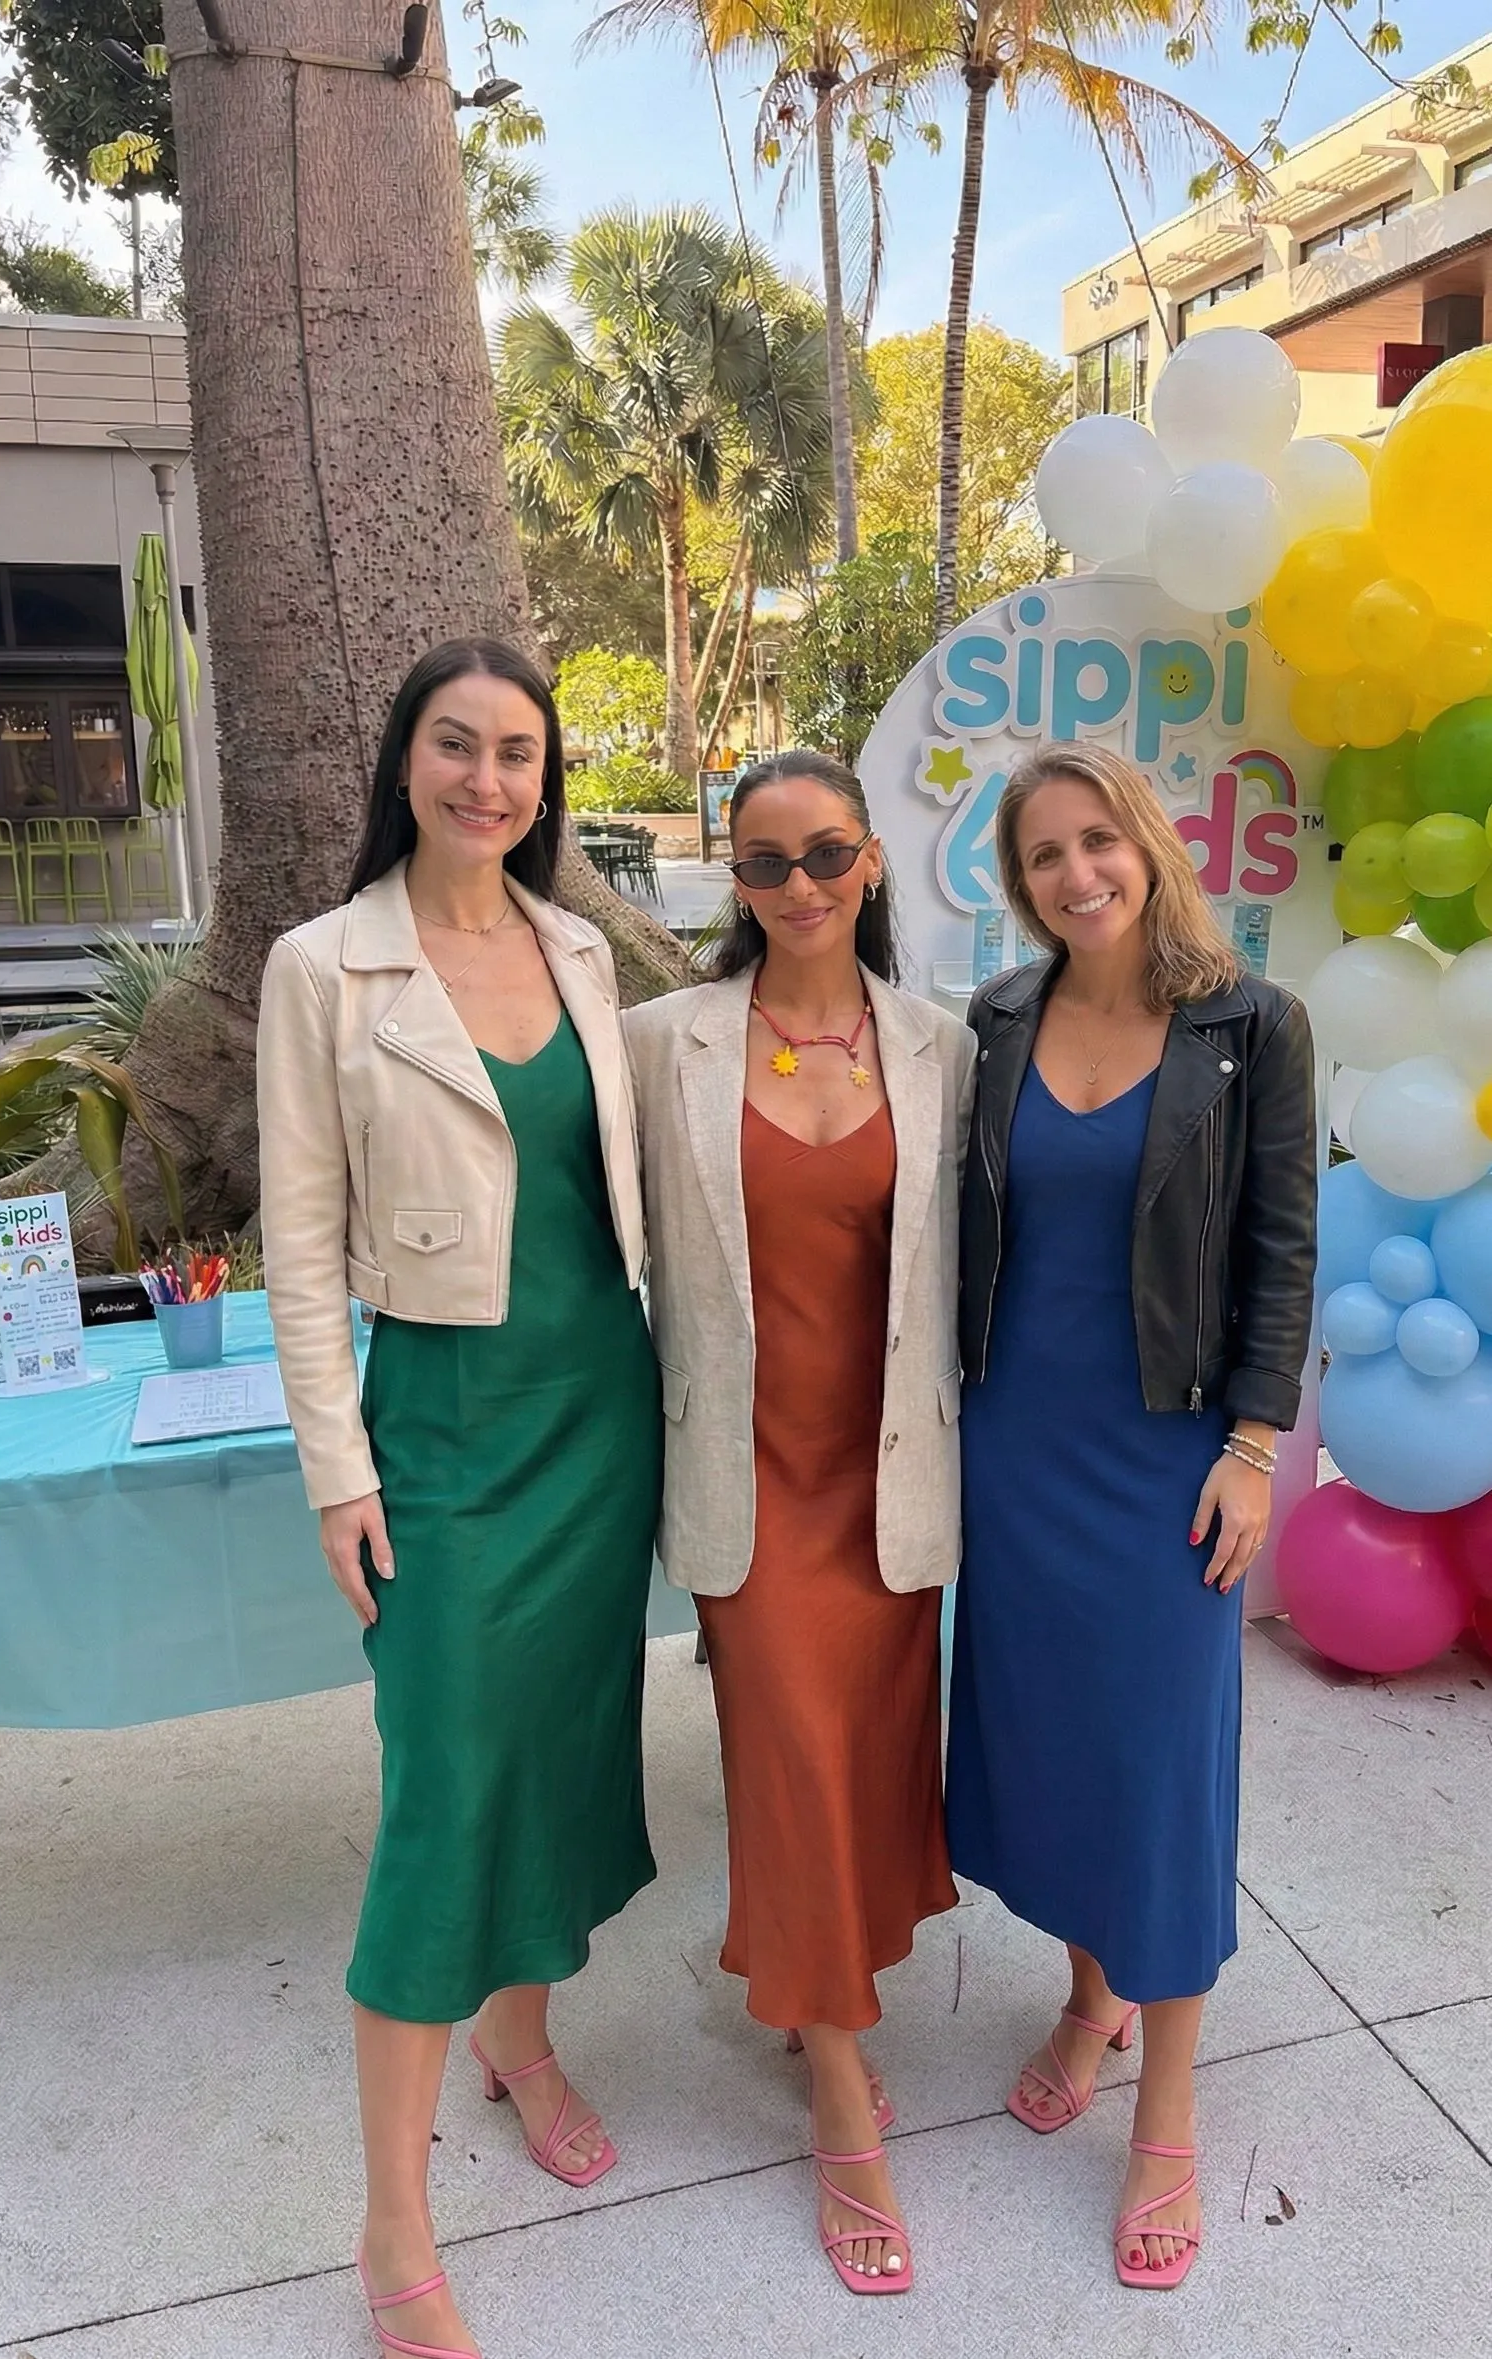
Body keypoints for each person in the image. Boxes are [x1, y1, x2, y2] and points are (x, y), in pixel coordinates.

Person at [256, 639, 660, 2359]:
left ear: (543, 778)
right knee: (442, 1794)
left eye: (516, 752)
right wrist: (335, 1469)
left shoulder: (579, 944)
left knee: (559, 1752)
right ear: (404, 761)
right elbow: (296, 1245)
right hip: (440, 1429)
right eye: (455, 744)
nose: (487, 779)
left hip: (600, 1414)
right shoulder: (322, 966)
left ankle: (522, 2036)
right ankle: (392, 2223)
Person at [947, 741, 1316, 2291]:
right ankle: (1088, 1995)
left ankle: (1164, 2106)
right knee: (1058, 1744)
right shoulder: (995, 1020)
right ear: (1018, 882)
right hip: (1015, 1447)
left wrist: (1253, 1443)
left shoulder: (1250, 1024)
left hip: (1170, 1456)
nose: (1076, 873)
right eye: (1044, 854)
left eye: (1097, 839)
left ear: (1147, 843)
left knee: (1160, 1767)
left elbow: (1282, 1244)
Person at [625, 751, 975, 2298]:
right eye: (763, 862)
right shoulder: (662, 1042)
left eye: (826, 852)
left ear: (870, 860)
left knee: (867, 1768)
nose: (799, 884)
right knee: (793, 1768)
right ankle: (837, 2093)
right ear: (733, 880)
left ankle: (813, 1997)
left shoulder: (946, 1047)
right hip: (748, 1483)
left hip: (888, 1482)